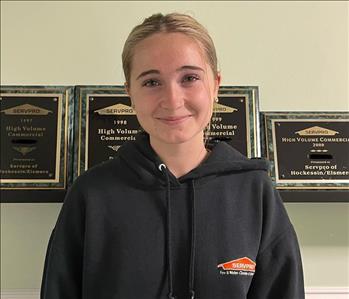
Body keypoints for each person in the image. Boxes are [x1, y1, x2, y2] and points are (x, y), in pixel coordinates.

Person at [41, 13, 305, 299]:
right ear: (129, 92)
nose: (173, 100)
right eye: (152, 82)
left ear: (216, 85)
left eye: (189, 78)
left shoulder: (255, 193)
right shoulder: (91, 194)